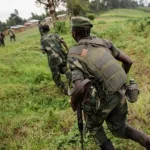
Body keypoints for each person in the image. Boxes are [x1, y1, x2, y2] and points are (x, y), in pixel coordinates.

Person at [68, 16, 150, 150]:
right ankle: (146, 140)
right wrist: (117, 83)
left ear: (73, 33)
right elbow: (128, 61)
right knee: (121, 127)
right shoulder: (103, 42)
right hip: (120, 93)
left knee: (94, 127)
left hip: (102, 100)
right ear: (88, 31)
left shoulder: (73, 54)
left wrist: (73, 102)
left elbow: (79, 88)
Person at [41, 24, 70, 95]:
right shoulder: (55, 35)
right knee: (63, 68)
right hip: (62, 55)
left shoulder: (42, 39)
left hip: (53, 59)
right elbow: (63, 42)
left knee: (56, 76)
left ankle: (64, 89)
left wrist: (46, 49)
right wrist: (68, 50)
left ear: (42, 30)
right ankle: (70, 76)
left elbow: (43, 51)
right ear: (49, 29)